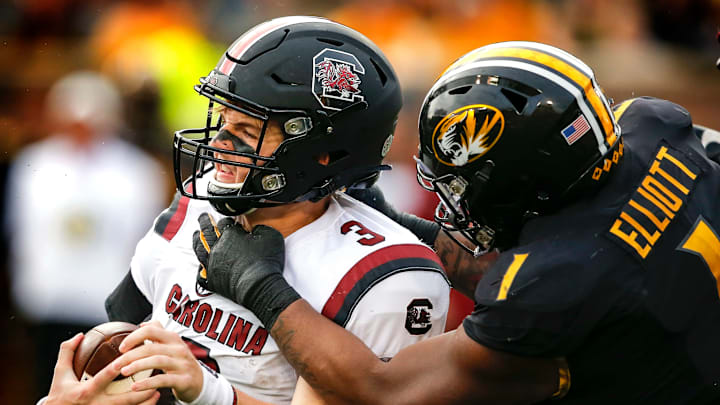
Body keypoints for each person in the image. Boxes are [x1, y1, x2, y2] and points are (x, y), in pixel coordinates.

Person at [187, 41, 720, 404]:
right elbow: (598, 257)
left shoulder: (553, 281)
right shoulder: (653, 126)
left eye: (462, 185)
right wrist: (408, 229)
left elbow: (383, 389)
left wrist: (261, 286)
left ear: (518, 178)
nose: (451, 204)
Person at [103, 16, 450, 405]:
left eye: (247, 132)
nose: (218, 145)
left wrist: (207, 392)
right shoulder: (202, 196)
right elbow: (122, 324)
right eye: (222, 119)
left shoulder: (384, 275)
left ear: (323, 154)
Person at [4, 71, 166, 402]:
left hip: (106, 310)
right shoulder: (33, 163)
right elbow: (21, 233)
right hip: (47, 304)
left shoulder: (137, 171)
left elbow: (143, 242)